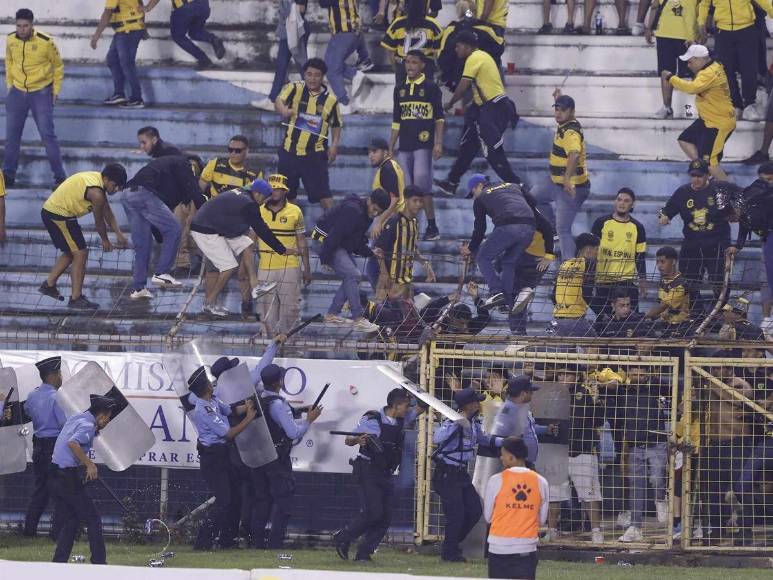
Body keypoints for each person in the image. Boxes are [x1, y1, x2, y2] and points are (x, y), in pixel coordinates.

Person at [334, 388, 424, 561]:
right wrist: (358, 440)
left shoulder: (402, 419)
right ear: (396, 406)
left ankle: (363, 554)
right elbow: (348, 440)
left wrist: (413, 394)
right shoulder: (372, 419)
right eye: (406, 405)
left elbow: (422, 407)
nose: (408, 408)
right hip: (367, 469)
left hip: (385, 472)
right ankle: (343, 537)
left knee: (386, 516)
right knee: (374, 512)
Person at [434, 31, 520, 197]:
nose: (456, 50)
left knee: (491, 151)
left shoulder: (474, 57)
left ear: (467, 46)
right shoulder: (481, 56)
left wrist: (450, 103)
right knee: (468, 146)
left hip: (494, 107)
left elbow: (463, 86)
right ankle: (452, 182)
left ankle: (515, 184)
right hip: (487, 107)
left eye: (458, 46)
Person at [190, 186, 293, 317]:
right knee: (229, 266)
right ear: (258, 193)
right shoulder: (250, 205)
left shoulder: (241, 192)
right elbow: (262, 230)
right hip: (204, 230)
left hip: (216, 226)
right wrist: (281, 249)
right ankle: (209, 303)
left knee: (246, 244)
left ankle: (255, 287)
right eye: (265, 198)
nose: (264, 202)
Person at [186, 366, 257, 550]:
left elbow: (230, 411)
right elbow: (228, 434)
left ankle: (227, 540)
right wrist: (249, 417)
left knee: (235, 497)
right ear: (206, 388)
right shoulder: (205, 410)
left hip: (223, 456)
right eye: (209, 382)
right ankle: (203, 542)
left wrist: (247, 406)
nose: (212, 383)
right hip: (213, 460)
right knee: (224, 500)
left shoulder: (213, 400)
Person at [252, 363, 323, 548]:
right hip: (277, 459)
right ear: (280, 382)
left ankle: (256, 542)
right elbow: (293, 433)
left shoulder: (260, 398)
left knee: (262, 501)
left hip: (261, 457)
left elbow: (277, 418)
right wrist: (309, 420)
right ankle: (275, 544)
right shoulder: (278, 404)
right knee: (284, 502)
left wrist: (299, 411)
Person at [39, 165, 129, 309]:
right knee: (80, 253)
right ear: (106, 179)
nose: (117, 189)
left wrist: (119, 234)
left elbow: (107, 212)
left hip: (60, 213)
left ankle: (48, 285)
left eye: (120, 187)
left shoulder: (98, 182)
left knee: (72, 252)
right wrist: (105, 240)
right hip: (57, 214)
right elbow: (99, 222)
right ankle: (76, 298)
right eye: (115, 185)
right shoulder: (96, 193)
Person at [123, 154, 208, 299]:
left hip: (128, 195)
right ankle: (162, 273)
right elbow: (194, 190)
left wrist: (161, 236)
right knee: (175, 229)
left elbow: (162, 217)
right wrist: (206, 209)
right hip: (144, 194)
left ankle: (138, 287)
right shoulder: (184, 163)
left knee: (143, 245)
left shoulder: (170, 181)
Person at [432, 387, 502, 562]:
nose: (479, 404)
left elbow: (484, 439)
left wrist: (504, 441)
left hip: (461, 474)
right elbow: (437, 438)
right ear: (469, 405)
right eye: (476, 401)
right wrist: (457, 423)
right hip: (447, 473)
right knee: (456, 515)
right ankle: (450, 553)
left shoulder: (474, 422)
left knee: (474, 510)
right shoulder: (452, 420)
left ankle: (451, 545)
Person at [50, 395, 117, 564]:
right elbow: (73, 443)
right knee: (93, 519)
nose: (107, 421)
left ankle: (59, 561)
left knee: (72, 519)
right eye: (108, 417)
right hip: (67, 476)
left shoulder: (79, 417)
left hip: (57, 473)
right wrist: (89, 464)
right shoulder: (88, 425)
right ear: (101, 415)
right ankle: (99, 562)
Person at [311, 189, 390, 331]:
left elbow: (355, 241)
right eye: (375, 209)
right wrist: (325, 259)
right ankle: (358, 318)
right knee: (353, 274)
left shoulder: (367, 214)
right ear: (370, 201)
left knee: (353, 276)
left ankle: (332, 314)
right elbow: (336, 234)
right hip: (325, 241)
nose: (376, 213)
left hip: (338, 243)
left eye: (379, 212)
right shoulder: (353, 211)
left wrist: (370, 252)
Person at [4, 9, 66, 189]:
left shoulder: (46, 42)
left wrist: (55, 91)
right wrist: (10, 85)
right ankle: (8, 175)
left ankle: (60, 177)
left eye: (25, 26)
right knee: (12, 137)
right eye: (19, 26)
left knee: (48, 136)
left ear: (32, 25)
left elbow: (58, 66)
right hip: (17, 92)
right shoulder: (10, 39)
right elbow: (8, 61)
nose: (22, 29)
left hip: (41, 92)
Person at [545, 366, 605, 545]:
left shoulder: (586, 393)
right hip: (557, 450)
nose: (564, 378)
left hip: (583, 451)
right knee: (553, 495)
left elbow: (599, 421)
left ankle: (596, 531)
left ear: (576, 376)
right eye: (561, 374)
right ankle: (552, 530)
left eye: (568, 374)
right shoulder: (551, 394)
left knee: (590, 494)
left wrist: (597, 401)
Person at [389, 51, 445, 241]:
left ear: (422, 65)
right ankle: (409, 228)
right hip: (405, 144)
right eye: (407, 62)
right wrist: (391, 146)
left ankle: (432, 225)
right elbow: (396, 120)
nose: (410, 66)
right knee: (407, 188)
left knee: (422, 184)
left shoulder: (431, 87)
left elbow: (439, 118)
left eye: (414, 62)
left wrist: (438, 143)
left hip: (424, 143)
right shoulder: (400, 88)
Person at [659, 159, 732, 303]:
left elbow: (734, 212)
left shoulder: (719, 191)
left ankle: (720, 314)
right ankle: (694, 315)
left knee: (720, 283)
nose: (696, 179)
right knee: (688, 282)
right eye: (693, 175)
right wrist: (663, 216)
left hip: (715, 245)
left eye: (700, 176)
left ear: (707, 176)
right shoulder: (682, 192)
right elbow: (666, 210)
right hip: (692, 245)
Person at [275, 58, 342, 212]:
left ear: (323, 77)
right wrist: (283, 110)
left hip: (315, 154)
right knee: (287, 194)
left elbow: (337, 124)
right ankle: (295, 229)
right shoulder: (294, 88)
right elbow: (279, 100)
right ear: (304, 74)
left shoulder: (331, 100)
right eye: (309, 74)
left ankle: (334, 228)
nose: (312, 78)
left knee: (324, 195)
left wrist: (334, 145)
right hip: (289, 151)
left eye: (317, 75)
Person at [614, 364, 671, 543]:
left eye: (641, 371)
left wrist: (652, 378)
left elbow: (668, 388)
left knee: (656, 478)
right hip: (635, 444)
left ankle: (661, 499)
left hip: (656, 442)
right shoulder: (623, 390)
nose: (637, 374)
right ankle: (635, 526)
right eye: (633, 370)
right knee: (636, 486)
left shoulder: (655, 387)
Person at [463, 176, 537, 312]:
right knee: (508, 262)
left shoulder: (481, 198)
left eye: (473, 193)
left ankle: (496, 292)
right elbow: (533, 201)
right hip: (530, 228)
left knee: (482, 257)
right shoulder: (512, 185)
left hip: (509, 226)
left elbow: (480, 230)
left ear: (479, 186)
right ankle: (506, 303)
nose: (473, 197)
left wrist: (471, 248)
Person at [662, 44, 736, 181]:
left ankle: (734, 196)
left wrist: (670, 78)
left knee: (711, 165)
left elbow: (692, 88)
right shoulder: (712, 65)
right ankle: (704, 168)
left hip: (719, 123)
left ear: (699, 59)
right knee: (685, 140)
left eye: (690, 62)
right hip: (707, 119)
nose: (688, 66)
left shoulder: (710, 73)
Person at [533, 91, 591, 262]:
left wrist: (566, 179)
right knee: (532, 198)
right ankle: (550, 228)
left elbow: (573, 154)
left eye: (562, 110)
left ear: (571, 112)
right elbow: (563, 112)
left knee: (564, 230)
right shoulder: (566, 121)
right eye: (556, 109)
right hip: (553, 182)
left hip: (571, 188)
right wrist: (558, 97)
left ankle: (569, 267)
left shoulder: (570, 133)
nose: (558, 113)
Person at [484, 437, 549, 580]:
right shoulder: (541, 482)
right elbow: (542, 519)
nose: (501, 457)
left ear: (511, 457)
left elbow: (488, 516)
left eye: (503, 454)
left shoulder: (495, 480)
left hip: (498, 548)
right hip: (526, 548)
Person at [697, 0, 772, 120]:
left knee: (749, 69)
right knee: (726, 70)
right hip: (723, 31)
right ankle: (735, 105)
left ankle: (749, 105)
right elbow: (704, 4)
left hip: (747, 29)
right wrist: (701, 24)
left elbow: (763, 1)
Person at [256, 174, 311, 335]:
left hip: (290, 267)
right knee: (266, 313)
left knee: (290, 311)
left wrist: (306, 268)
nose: (273, 192)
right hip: (265, 267)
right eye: (270, 188)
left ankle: (291, 349)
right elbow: (251, 241)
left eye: (277, 189)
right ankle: (268, 349)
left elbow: (302, 241)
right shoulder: (258, 211)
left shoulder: (295, 212)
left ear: (284, 191)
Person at [22, 356, 67, 538]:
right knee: (61, 492)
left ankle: (29, 530)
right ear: (52, 376)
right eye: (59, 373)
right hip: (55, 447)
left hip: (39, 446)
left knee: (40, 491)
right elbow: (64, 425)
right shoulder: (57, 398)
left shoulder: (32, 396)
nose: (61, 377)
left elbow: (27, 412)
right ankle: (56, 534)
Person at [368, 186, 435, 297]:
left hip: (403, 279)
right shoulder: (394, 222)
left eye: (421, 201)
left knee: (419, 304)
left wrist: (426, 264)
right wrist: (384, 274)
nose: (418, 204)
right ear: (406, 200)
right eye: (415, 201)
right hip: (384, 273)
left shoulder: (414, 222)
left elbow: (411, 248)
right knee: (383, 310)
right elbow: (378, 250)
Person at [590, 188, 647, 313]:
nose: (622, 203)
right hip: (603, 282)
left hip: (626, 282)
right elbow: (591, 252)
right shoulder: (601, 223)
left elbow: (640, 256)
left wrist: (643, 280)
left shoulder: (638, 227)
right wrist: (590, 278)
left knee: (630, 323)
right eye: (619, 199)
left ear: (632, 204)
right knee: (603, 323)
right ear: (615, 202)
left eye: (626, 201)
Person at [251, 0, 310, 111]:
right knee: (282, 66)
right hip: (288, 29)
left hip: (295, 29)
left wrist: (289, 7)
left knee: (301, 65)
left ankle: (316, 99)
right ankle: (272, 99)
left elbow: (302, 8)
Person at [644, 0, 699, 118]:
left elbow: (655, 6)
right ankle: (693, 109)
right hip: (685, 35)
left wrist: (649, 28)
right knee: (691, 73)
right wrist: (693, 35)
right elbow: (694, 11)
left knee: (666, 71)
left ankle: (667, 107)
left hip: (665, 32)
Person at [437, 1, 505, 91]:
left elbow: (485, 9)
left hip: (488, 25)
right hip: (481, 25)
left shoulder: (454, 29)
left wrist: (478, 21)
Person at [91, 0, 146, 109]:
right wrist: (143, 25)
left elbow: (107, 13)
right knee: (112, 60)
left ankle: (137, 99)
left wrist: (96, 36)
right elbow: (139, 4)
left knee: (127, 64)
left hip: (128, 30)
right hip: (126, 29)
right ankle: (119, 94)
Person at [491, 375, 553, 468]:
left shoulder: (520, 408)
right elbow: (498, 438)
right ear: (523, 394)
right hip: (516, 463)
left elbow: (526, 429)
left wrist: (545, 429)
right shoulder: (508, 411)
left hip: (524, 462)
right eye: (530, 392)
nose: (532, 394)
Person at [145, 0, 225, 69]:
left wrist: (148, 7)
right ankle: (214, 39)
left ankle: (205, 61)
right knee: (195, 32)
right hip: (203, 6)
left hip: (184, 6)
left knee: (178, 36)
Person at [380, 0, 442, 85]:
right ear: (424, 7)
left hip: (403, 65)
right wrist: (436, 69)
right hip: (424, 66)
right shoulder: (433, 25)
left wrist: (397, 68)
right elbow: (436, 54)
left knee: (402, 96)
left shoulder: (397, 23)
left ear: (406, 7)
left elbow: (391, 52)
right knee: (425, 96)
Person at [323, 0, 369, 114]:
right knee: (329, 65)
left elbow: (323, 3)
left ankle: (344, 103)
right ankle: (353, 74)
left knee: (331, 69)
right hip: (353, 31)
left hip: (344, 32)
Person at [550, 232, 600, 337]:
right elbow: (587, 293)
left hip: (557, 319)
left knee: (566, 352)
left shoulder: (565, 265)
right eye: (596, 249)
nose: (597, 254)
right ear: (588, 250)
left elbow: (553, 295)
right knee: (597, 347)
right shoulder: (589, 264)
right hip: (576, 319)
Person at [645, 246, 696, 336]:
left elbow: (664, 306)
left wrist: (644, 316)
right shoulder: (664, 281)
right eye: (657, 262)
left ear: (673, 262)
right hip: (666, 326)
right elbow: (661, 305)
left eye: (663, 262)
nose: (659, 266)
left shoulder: (681, 284)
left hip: (681, 328)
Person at [368, 138, 407, 239]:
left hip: (391, 222)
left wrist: (379, 222)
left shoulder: (387, 169)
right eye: (369, 152)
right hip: (394, 220)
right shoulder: (390, 165)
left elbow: (394, 199)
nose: (370, 156)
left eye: (374, 151)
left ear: (385, 152)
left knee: (381, 253)